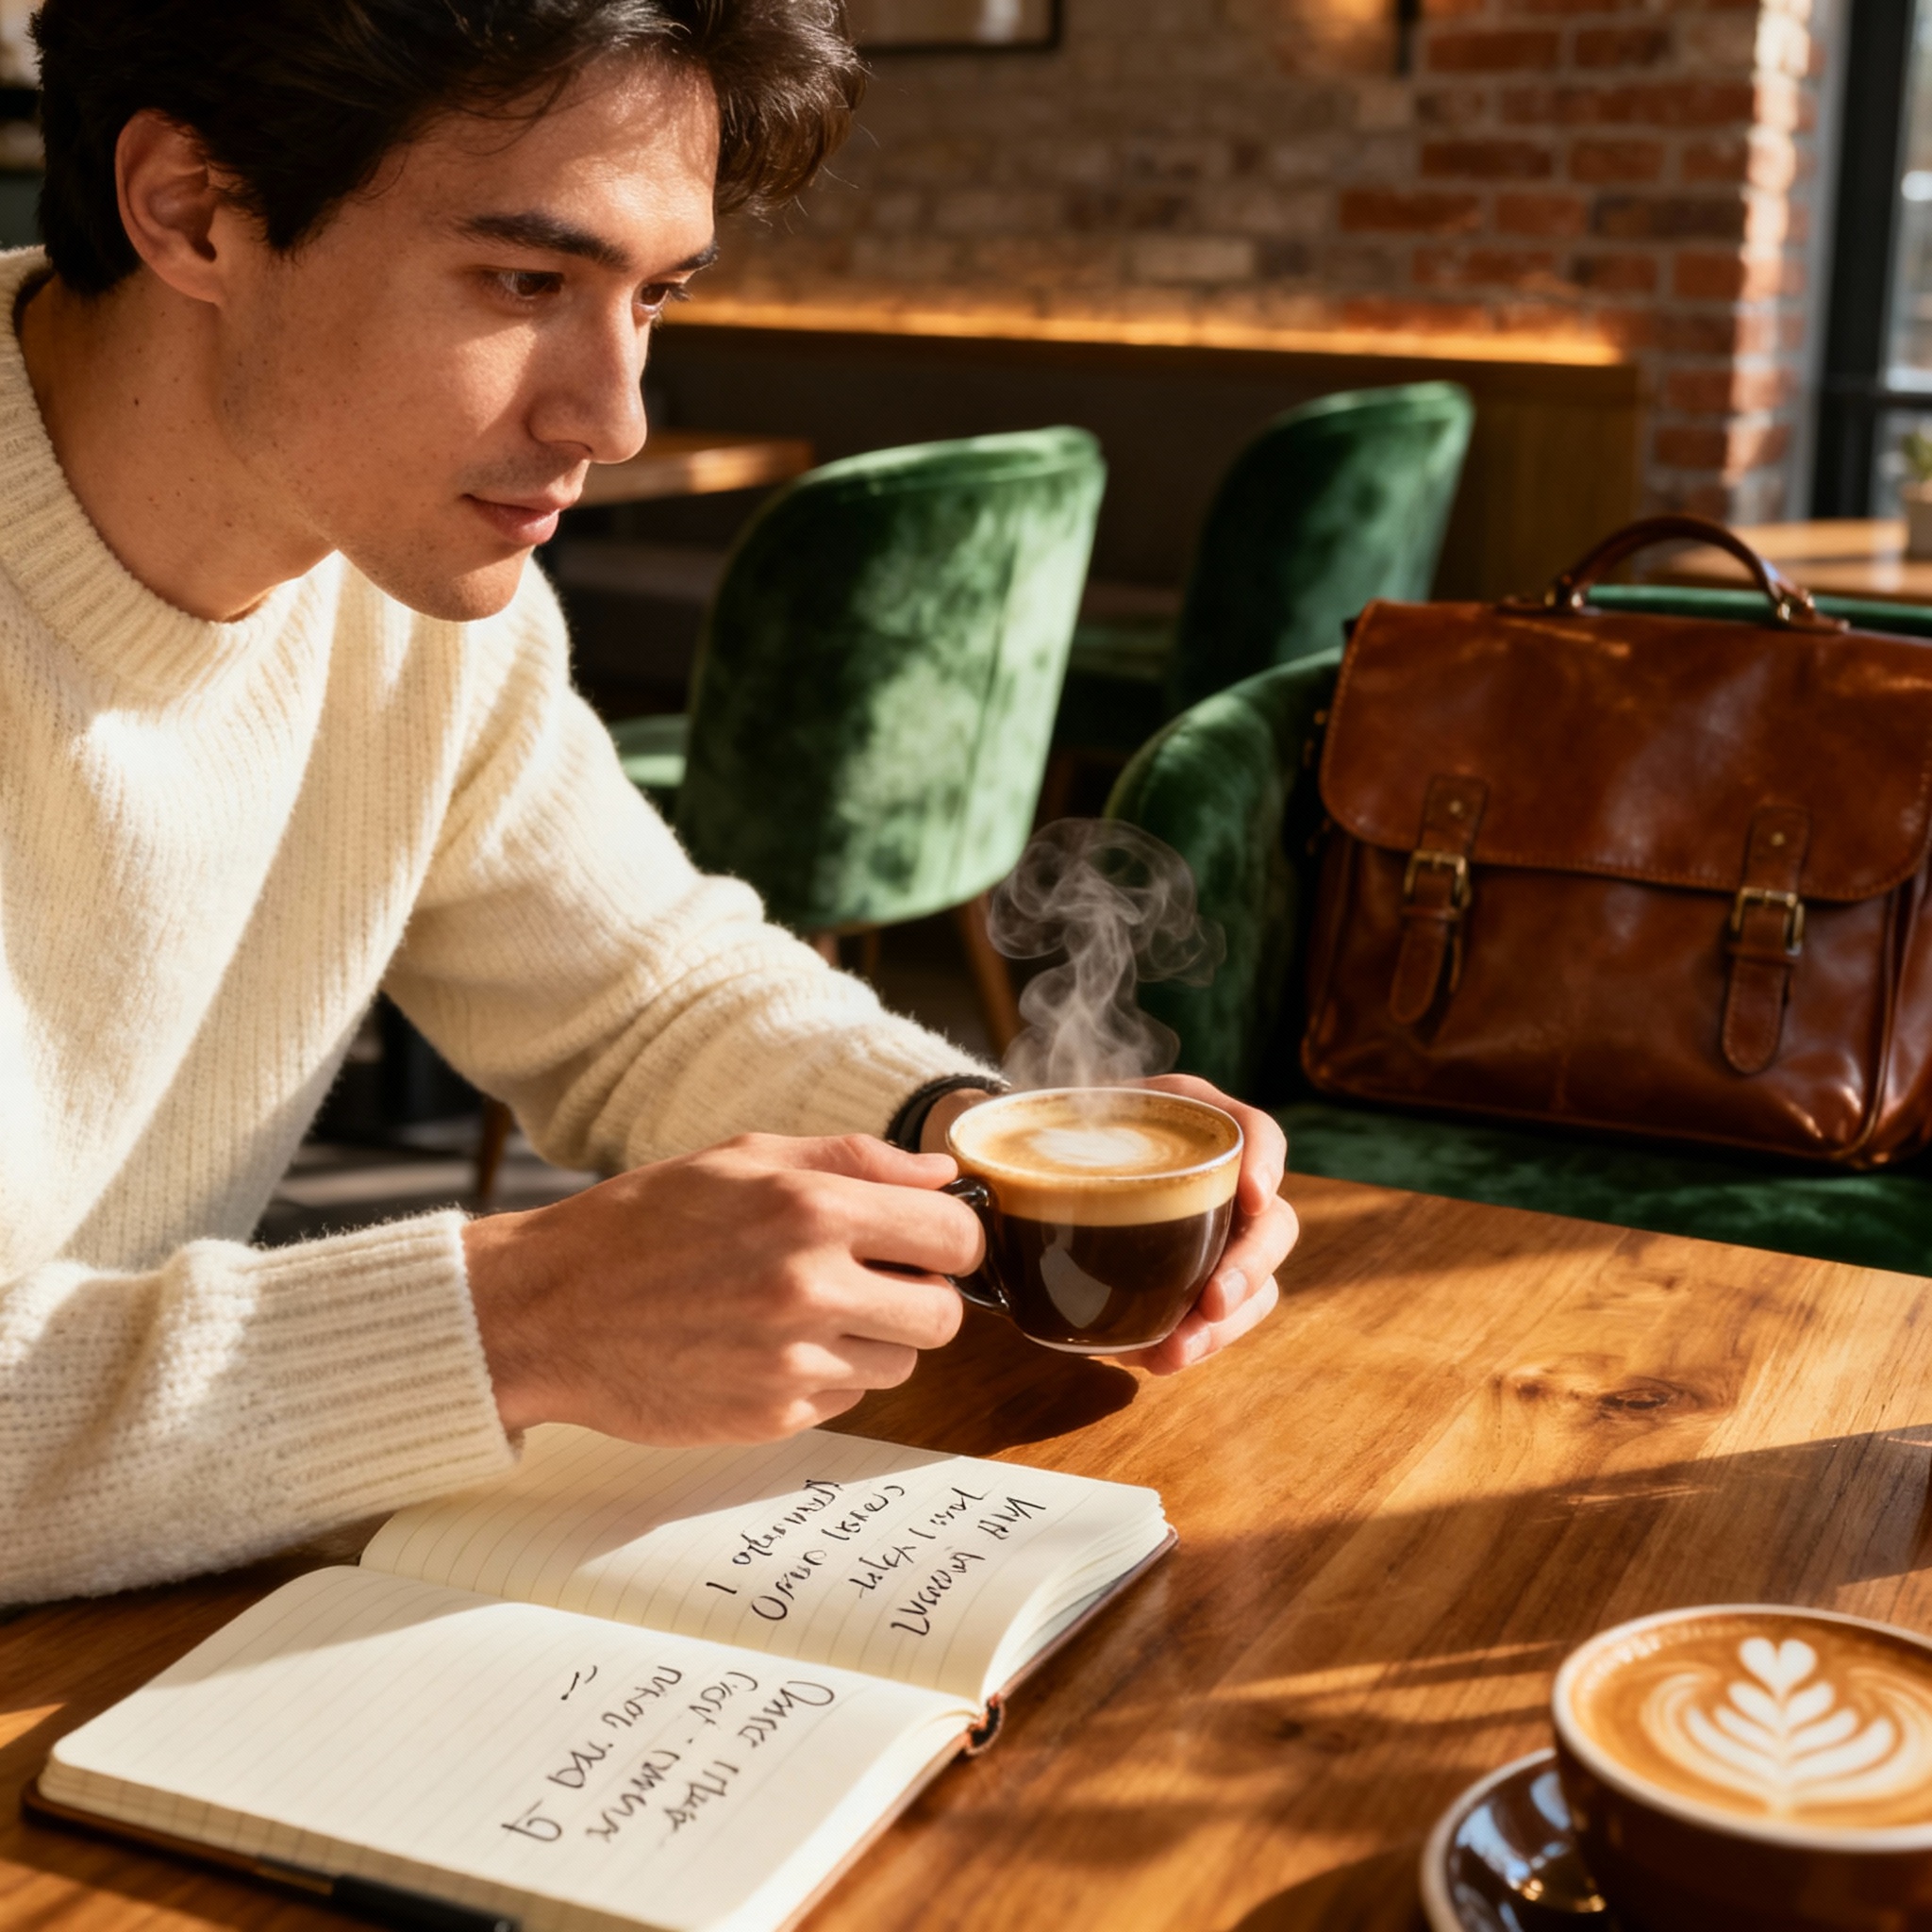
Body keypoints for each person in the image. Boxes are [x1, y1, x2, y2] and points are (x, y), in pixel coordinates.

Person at [0, 0, 1298, 1606]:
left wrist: (975, 1147)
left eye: (656, 295)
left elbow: (642, 994)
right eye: (526, 281)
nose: (612, 419)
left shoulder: (406, 587)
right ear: (192, 209)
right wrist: (519, 1317)